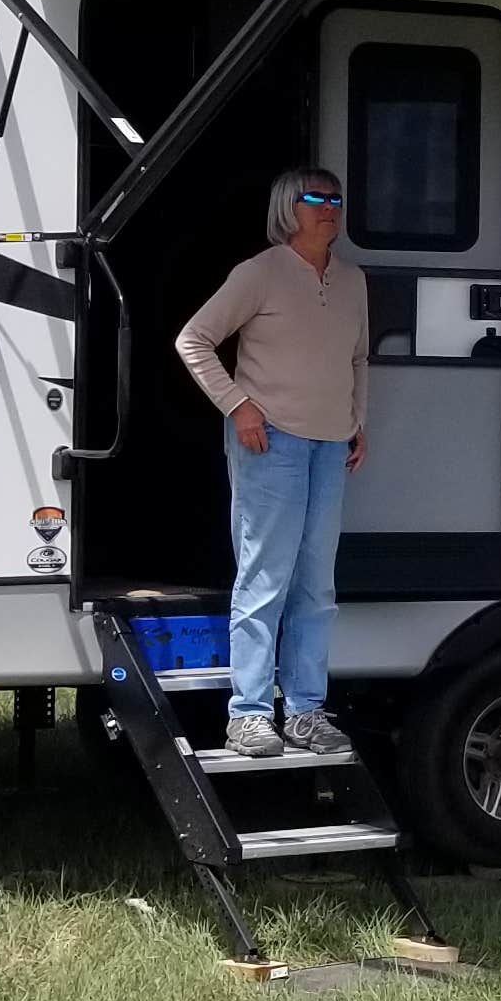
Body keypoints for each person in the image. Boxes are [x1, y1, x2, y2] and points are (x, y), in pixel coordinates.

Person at [174, 166, 370, 760]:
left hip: (331, 444)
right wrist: (239, 407)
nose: (329, 207)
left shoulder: (354, 280)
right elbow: (193, 340)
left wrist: (360, 421)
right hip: (272, 443)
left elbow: (359, 358)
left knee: (317, 586)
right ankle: (250, 715)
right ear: (289, 207)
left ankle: (307, 711)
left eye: (336, 198)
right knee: (265, 580)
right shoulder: (258, 273)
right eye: (316, 198)